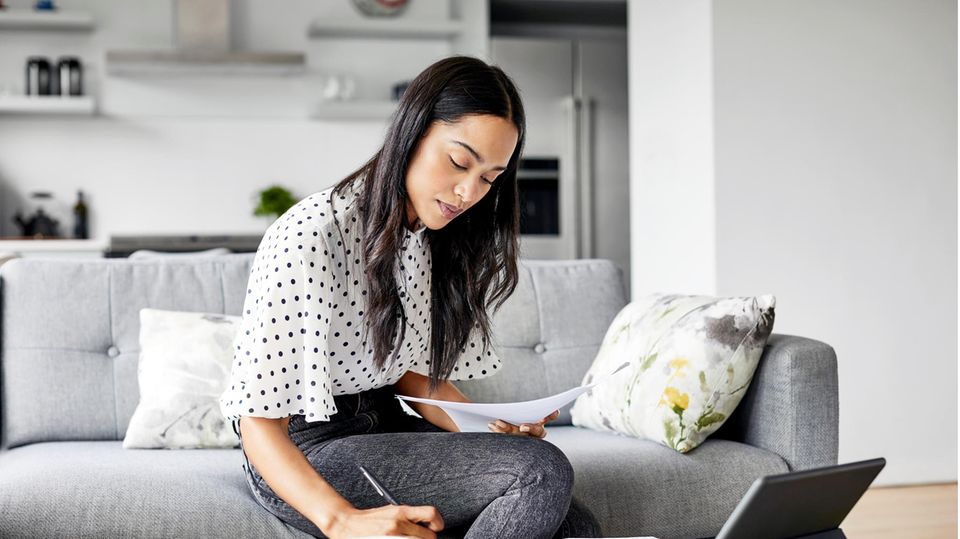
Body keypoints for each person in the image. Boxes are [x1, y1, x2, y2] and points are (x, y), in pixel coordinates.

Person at [219, 55, 602, 539]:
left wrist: (491, 428)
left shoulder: (427, 235)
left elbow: (415, 380)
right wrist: (342, 522)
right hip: (304, 453)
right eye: (459, 161)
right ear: (412, 132)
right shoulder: (312, 234)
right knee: (540, 471)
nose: (468, 192)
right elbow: (257, 421)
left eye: (489, 178)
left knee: (575, 525)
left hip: (382, 424)